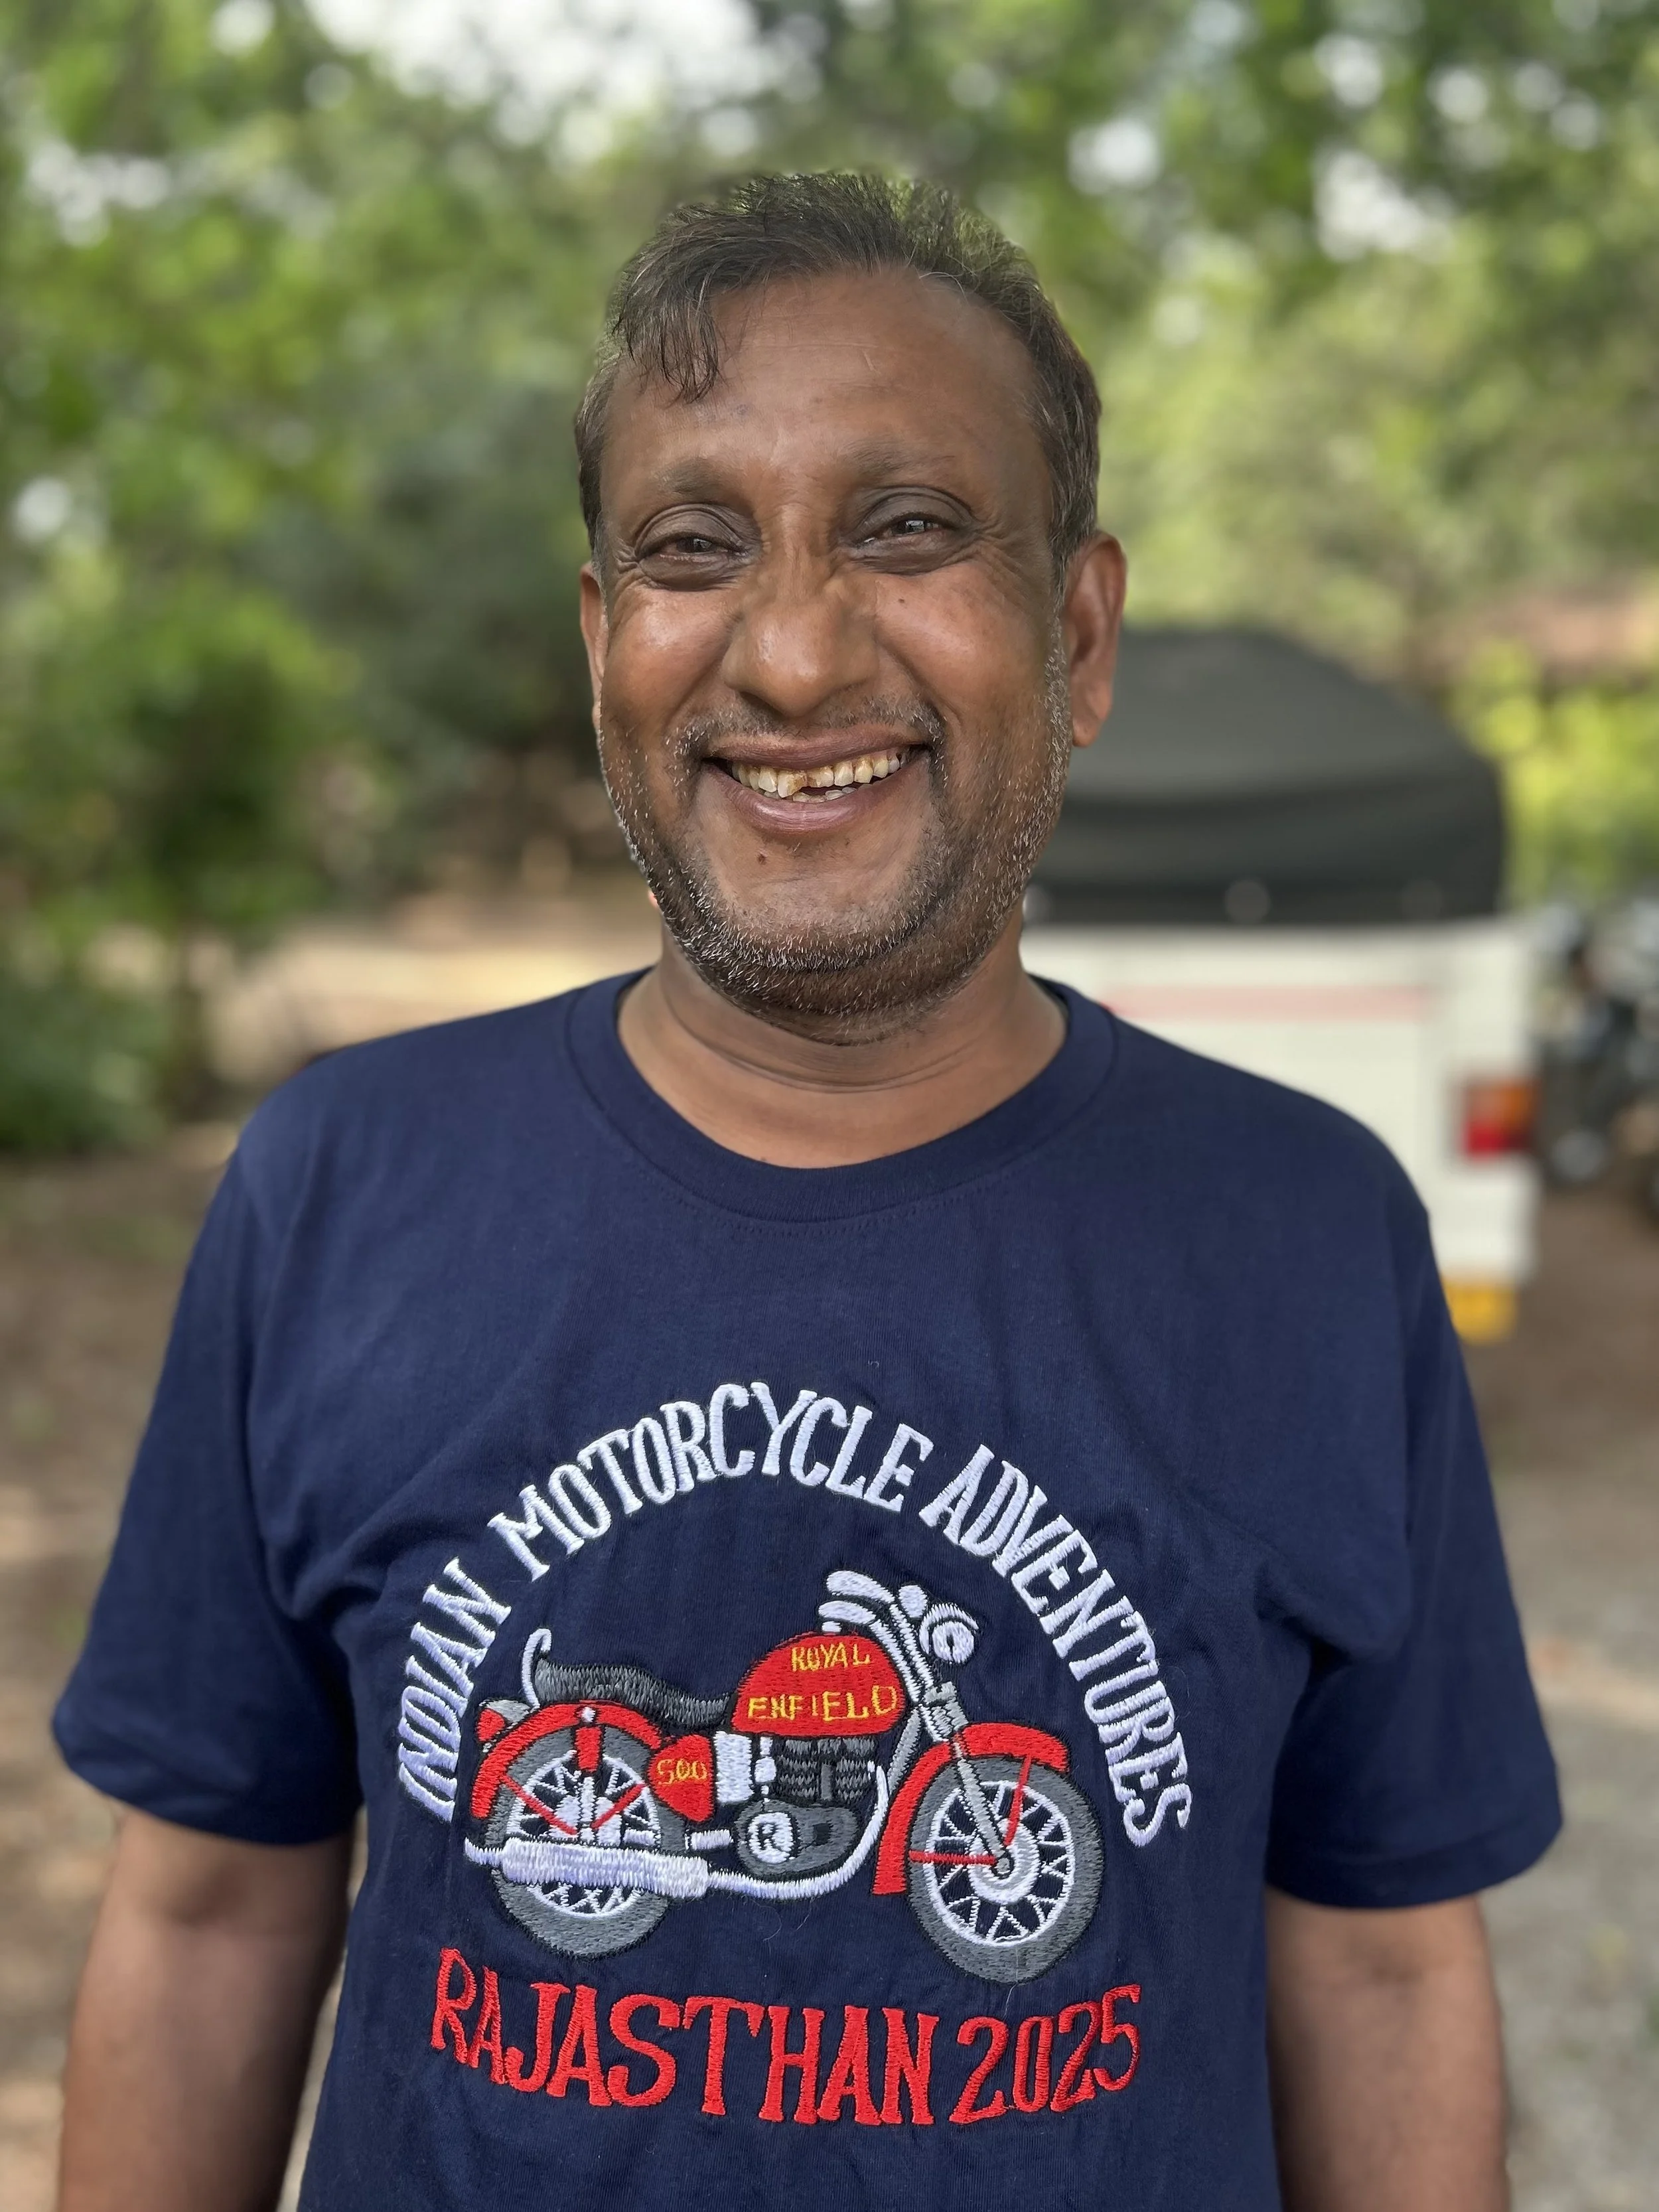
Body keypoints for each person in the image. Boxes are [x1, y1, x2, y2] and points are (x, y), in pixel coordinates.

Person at [53, 173, 1558, 2212]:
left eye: (908, 527)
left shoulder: (1304, 1230)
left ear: (1077, 630)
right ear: (607, 644)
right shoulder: (337, 1184)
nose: (787, 649)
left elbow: (1378, 1958)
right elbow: (212, 1912)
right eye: (694, 547)